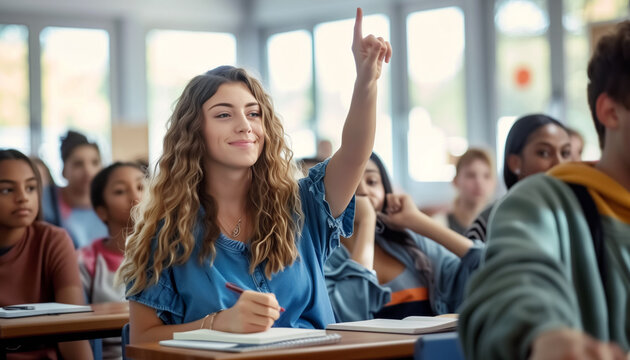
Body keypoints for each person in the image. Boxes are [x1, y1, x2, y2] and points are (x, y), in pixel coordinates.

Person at [117, 8, 391, 344]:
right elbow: (142, 339)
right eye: (223, 114)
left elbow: (354, 152)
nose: (245, 125)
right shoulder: (166, 229)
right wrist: (219, 323)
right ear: (194, 131)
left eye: (253, 113)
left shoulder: (303, 204)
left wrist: (367, 80)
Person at [458, 20, 630, 360]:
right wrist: (543, 335)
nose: (555, 159)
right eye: (543, 152)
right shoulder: (541, 205)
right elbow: (510, 286)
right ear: (610, 112)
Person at [325, 153, 484, 322]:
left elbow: (487, 265)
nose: (363, 190)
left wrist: (418, 221)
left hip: (430, 347)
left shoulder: (411, 244)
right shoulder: (320, 256)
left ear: (385, 190)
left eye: (372, 181)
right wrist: (367, 221)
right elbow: (348, 316)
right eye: (351, 180)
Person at [0, 149, 93, 360]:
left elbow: (71, 329)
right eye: (7, 190)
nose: (23, 197)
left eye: (31, 187)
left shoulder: (53, 240)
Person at [465, 114, 572, 242]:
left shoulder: (578, 216)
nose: (559, 163)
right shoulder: (488, 222)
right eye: (544, 153)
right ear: (515, 162)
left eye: (565, 153)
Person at [77, 162, 146, 359]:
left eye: (141, 187)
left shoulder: (170, 254)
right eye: (119, 191)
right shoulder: (85, 260)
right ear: (101, 211)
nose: (136, 197)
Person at [42, 130, 108, 248]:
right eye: (78, 164)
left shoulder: (111, 202)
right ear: (63, 170)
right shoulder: (45, 200)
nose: (88, 171)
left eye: (95, 163)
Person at [444, 148, 495, 235]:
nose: (479, 183)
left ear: (494, 183)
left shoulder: (499, 224)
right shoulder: (440, 224)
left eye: (486, 176)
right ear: (455, 181)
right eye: (471, 175)